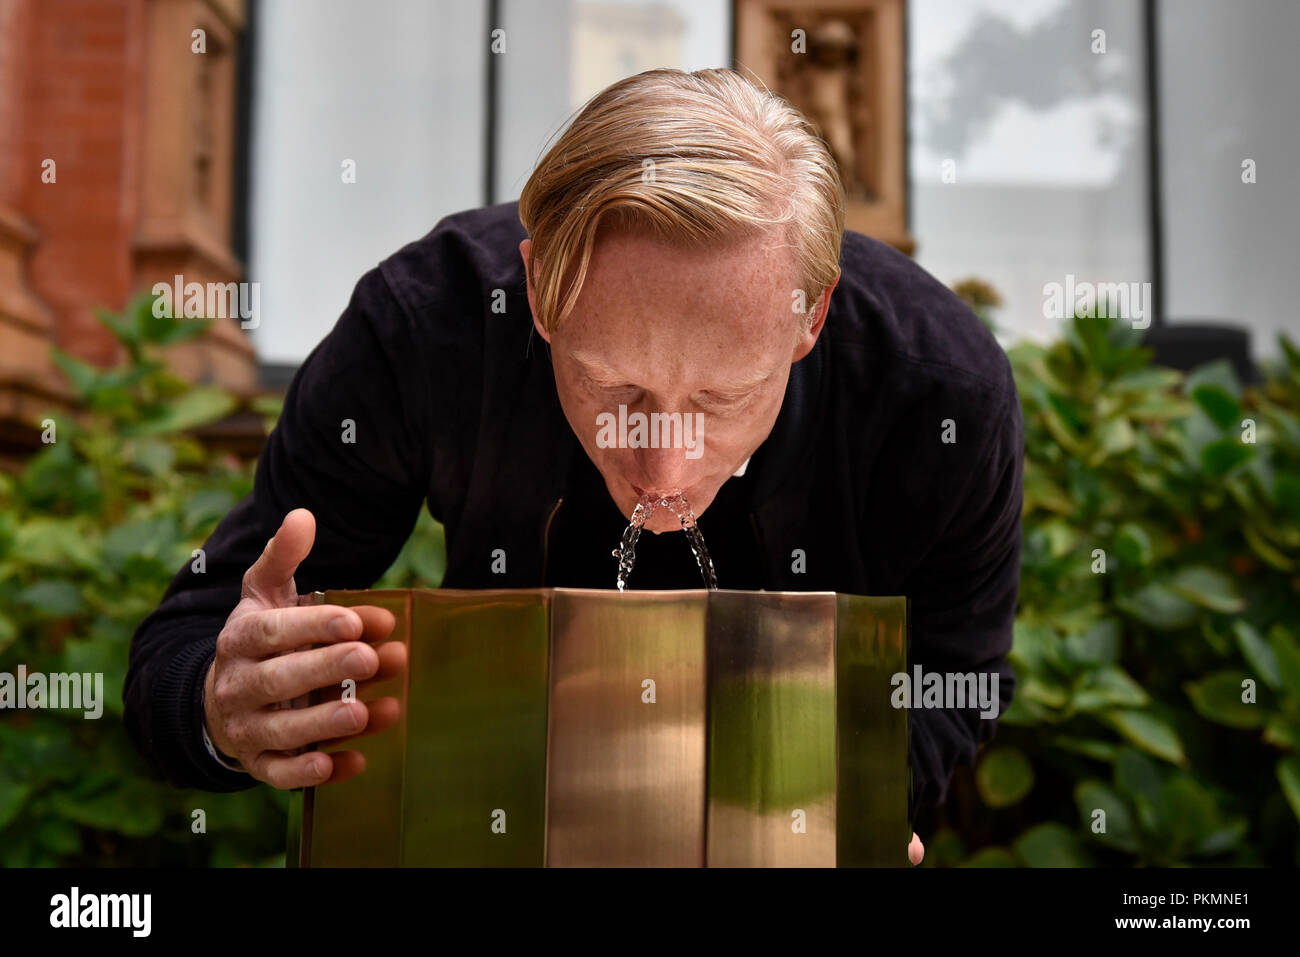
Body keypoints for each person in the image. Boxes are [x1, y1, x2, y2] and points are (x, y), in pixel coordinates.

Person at [125, 68, 1023, 867]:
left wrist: (848, 809)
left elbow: (957, 674)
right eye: (614, 387)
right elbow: (181, 652)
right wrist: (221, 704)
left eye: (722, 400)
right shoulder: (427, 328)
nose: (665, 474)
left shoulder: (937, 395)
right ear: (539, 290)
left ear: (811, 319)